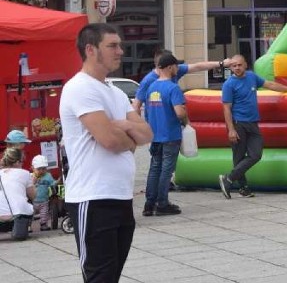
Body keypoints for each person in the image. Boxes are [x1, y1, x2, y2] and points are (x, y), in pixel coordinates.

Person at [60, 23, 153, 283]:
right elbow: (110, 141)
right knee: (99, 277)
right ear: (90, 49)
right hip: (93, 197)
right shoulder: (80, 87)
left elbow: (147, 134)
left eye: (120, 45)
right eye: (112, 46)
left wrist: (123, 127)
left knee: (111, 276)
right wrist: (129, 134)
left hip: (120, 196)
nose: (121, 51)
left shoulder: (114, 91)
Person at [217, 55, 287, 199]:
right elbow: (226, 108)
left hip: (253, 123)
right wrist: (231, 129)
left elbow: (270, 85)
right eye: (234, 66)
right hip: (238, 123)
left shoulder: (252, 77)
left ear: (245, 65)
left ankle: (228, 178)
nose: (237, 68)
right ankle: (243, 188)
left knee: (256, 155)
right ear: (230, 68)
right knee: (239, 157)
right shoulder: (229, 85)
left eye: (239, 65)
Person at [140, 53, 188, 217]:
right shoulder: (173, 88)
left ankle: (149, 203)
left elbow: (147, 111)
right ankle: (162, 203)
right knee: (166, 170)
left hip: (155, 135)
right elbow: (179, 113)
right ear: (170, 67)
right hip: (170, 134)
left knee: (154, 168)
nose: (177, 69)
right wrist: (186, 120)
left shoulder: (151, 87)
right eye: (176, 66)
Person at [132, 49, 233, 115]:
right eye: (173, 63)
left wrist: (221, 63)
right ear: (168, 66)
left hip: (172, 125)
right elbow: (136, 105)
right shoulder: (148, 81)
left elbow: (197, 66)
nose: (177, 67)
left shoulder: (176, 71)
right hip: (156, 128)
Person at [0, 147, 35, 240]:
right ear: (16, 162)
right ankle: (22, 228)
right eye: (21, 161)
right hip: (16, 216)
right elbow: (33, 196)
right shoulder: (25, 173)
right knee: (30, 201)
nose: (22, 164)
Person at [30, 154, 55, 231]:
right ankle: (28, 226)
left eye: (43, 169)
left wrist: (56, 182)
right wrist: (32, 182)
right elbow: (27, 186)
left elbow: (52, 183)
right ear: (33, 168)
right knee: (30, 214)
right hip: (32, 201)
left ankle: (43, 224)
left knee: (44, 214)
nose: (41, 171)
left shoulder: (48, 175)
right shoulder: (30, 176)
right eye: (39, 169)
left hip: (44, 200)